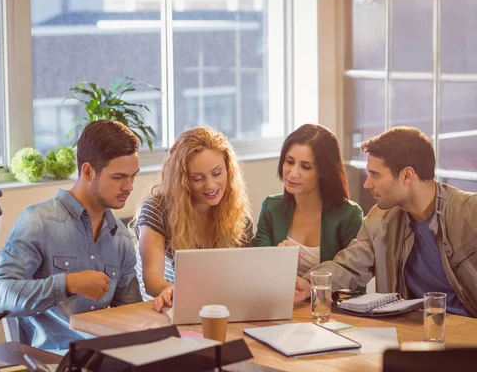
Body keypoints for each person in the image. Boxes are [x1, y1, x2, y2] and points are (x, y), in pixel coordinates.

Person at [0, 120, 143, 351]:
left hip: (104, 359)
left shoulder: (121, 237)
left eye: (133, 176)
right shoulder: (38, 222)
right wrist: (68, 284)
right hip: (51, 360)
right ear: (88, 171)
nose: (129, 187)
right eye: (118, 177)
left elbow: (130, 314)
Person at [294, 126, 477, 317]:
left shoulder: (470, 213)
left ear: (406, 175)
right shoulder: (380, 219)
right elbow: (348, 266)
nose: (367, 184)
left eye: (375, 175)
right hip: (411, 332)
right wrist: (308, 284)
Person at [133, 127, 253, 312]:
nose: (211, 185)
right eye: (197, 178)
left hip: (220, 311)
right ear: (182, 180)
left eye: (217, 173)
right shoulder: (157, 210)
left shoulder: (238, 216)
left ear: (228, 169)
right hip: (171, 311)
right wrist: (171, 290)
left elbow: (246, 276)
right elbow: (151, 279)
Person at [252, 124, 363, 276]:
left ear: (324, 172)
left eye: (305, 166)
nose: (293, 173)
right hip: (281, 298)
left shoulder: (349, 215)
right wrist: (278, 258)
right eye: (289, 162)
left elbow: (355, 276)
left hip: (329, 300)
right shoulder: (271, 208)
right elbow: (256, 267)